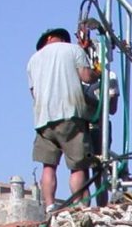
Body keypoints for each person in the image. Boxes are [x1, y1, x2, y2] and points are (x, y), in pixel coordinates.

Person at [27, 28, 98, 212]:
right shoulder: (73, 50)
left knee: (48, 166)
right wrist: (98, 72)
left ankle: (50, 205)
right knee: (78, 165)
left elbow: (34, 93)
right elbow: (86, 77)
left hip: (43, 120)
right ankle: (80, 205)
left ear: (46, 40)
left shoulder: (33, 60)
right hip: (70, 114)